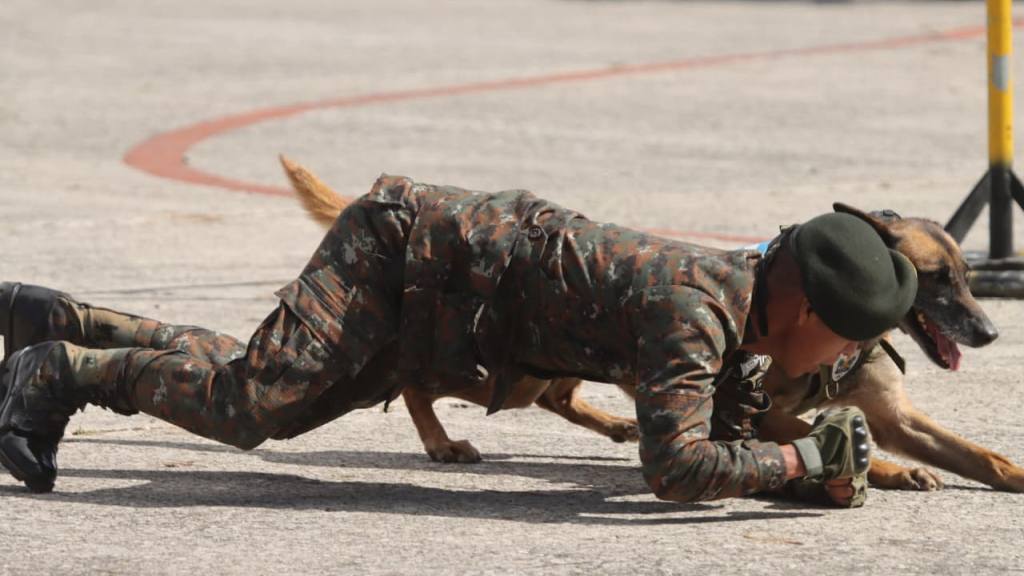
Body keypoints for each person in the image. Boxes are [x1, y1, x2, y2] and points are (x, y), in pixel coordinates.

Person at [0, 173, 915, 503]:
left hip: (442, 307)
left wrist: (815, 475)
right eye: (849, 343)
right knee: (250, 406)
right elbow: (675, 468)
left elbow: (730, 434)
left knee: (269, 398)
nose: (846, 363)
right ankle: (60, 371)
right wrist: (803, 461)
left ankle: (80, 325)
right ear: (805, 312)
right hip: (403, 256)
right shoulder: (695, 310)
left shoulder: (740, 314)